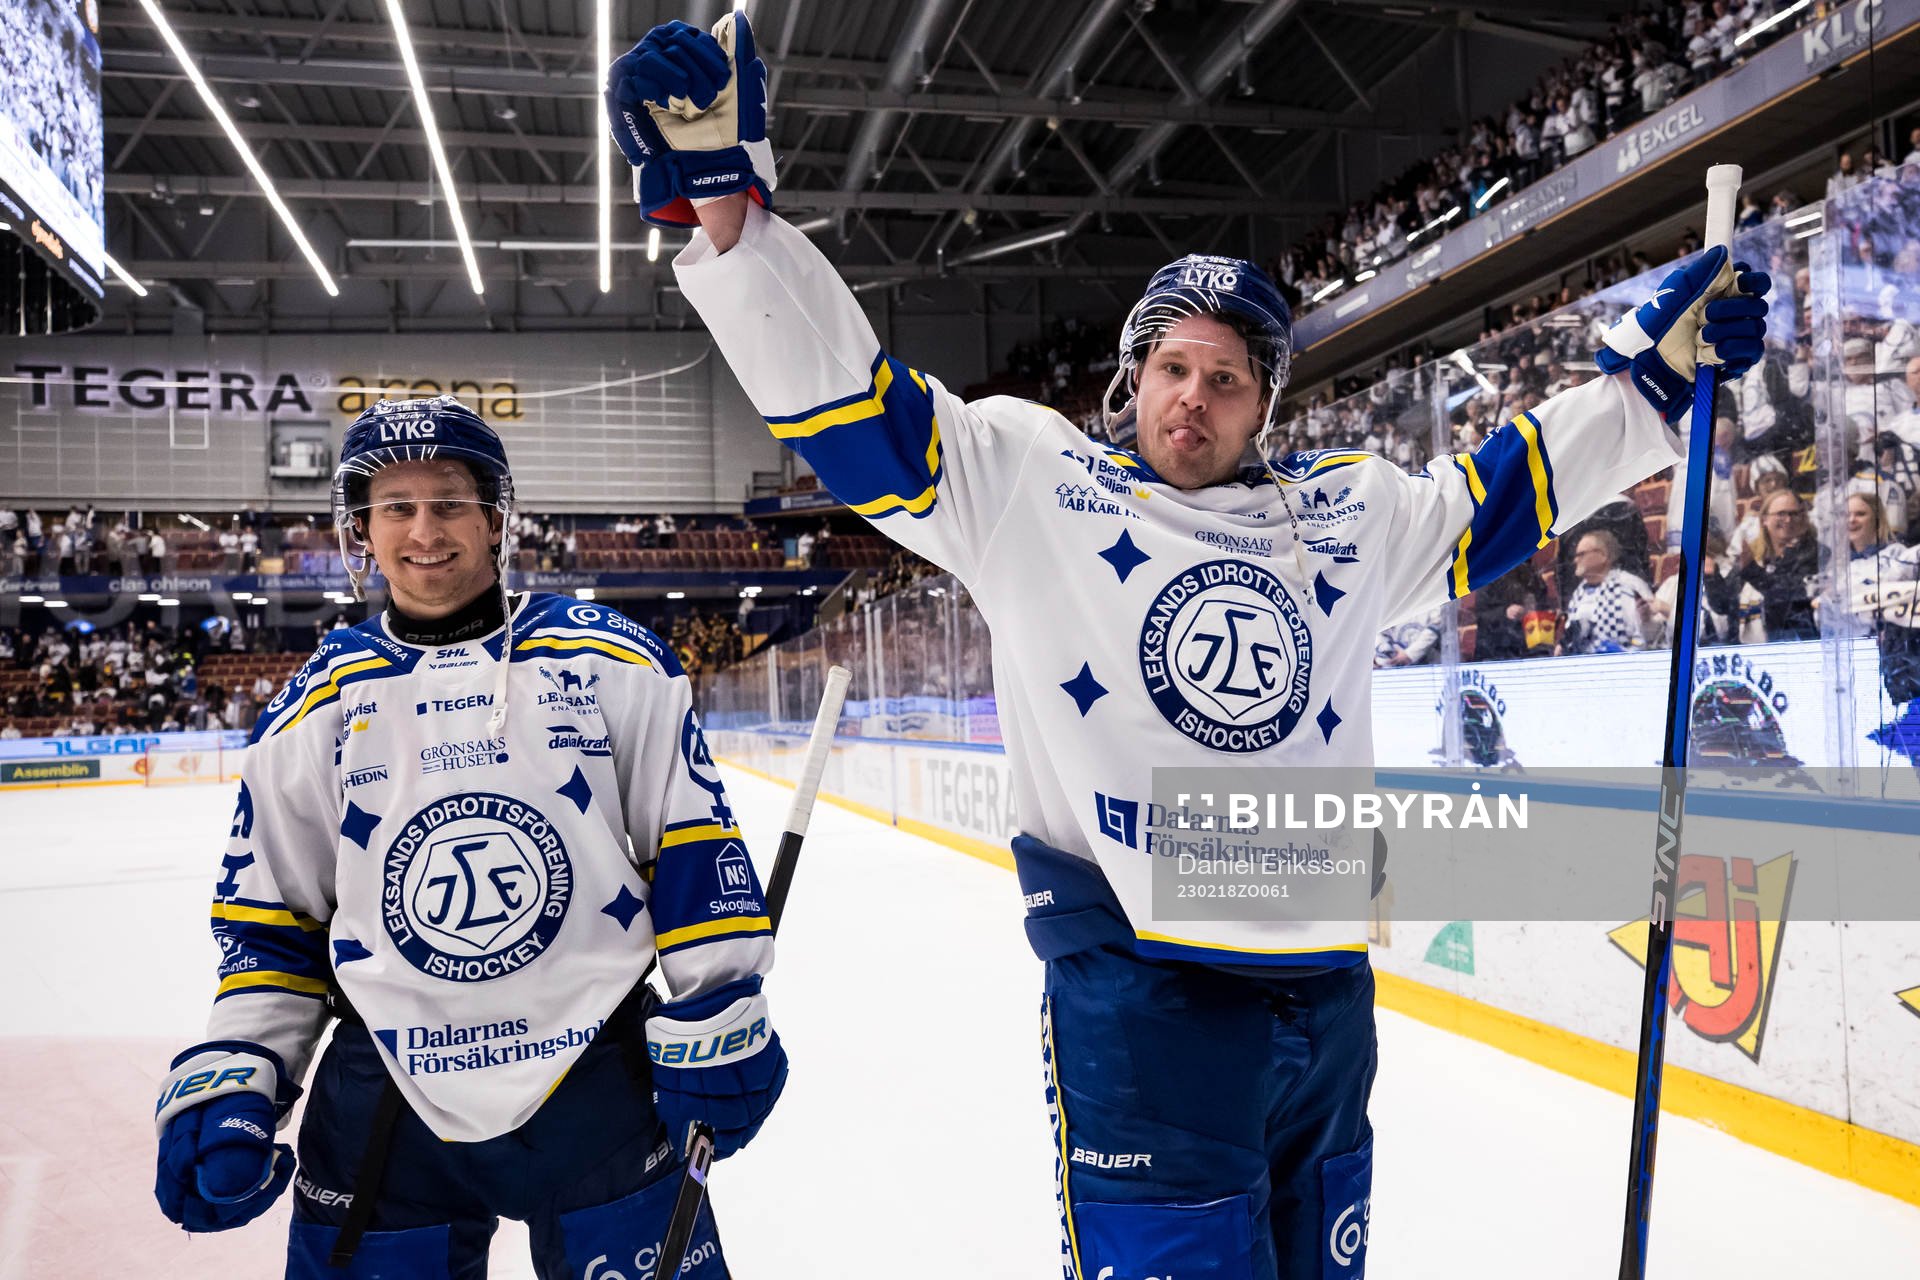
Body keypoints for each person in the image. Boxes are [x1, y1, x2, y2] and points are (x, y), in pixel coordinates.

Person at [606, 16, 1769, 1278]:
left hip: (1322, 1002)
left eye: (1227, 378)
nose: (1192, 399)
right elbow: (852, 406)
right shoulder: (1028, 484)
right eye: (1171, 367)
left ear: (1268, 401)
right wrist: (733, 221)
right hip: (1137, 1000)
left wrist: (1651, 387)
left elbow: (1504, 488)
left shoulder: (1345, 512)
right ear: (1130, 376)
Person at [152, 396, 785, 1278]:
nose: (425, 531)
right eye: (395, 508)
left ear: (494, 519)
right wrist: (242, 1062)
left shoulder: (611, 661)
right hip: (385, 1098)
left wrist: (719, 1000)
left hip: (597, 1074)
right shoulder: (315, 707)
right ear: (362, 530)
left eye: (449, 502)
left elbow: (691, 847)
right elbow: (271, 922)